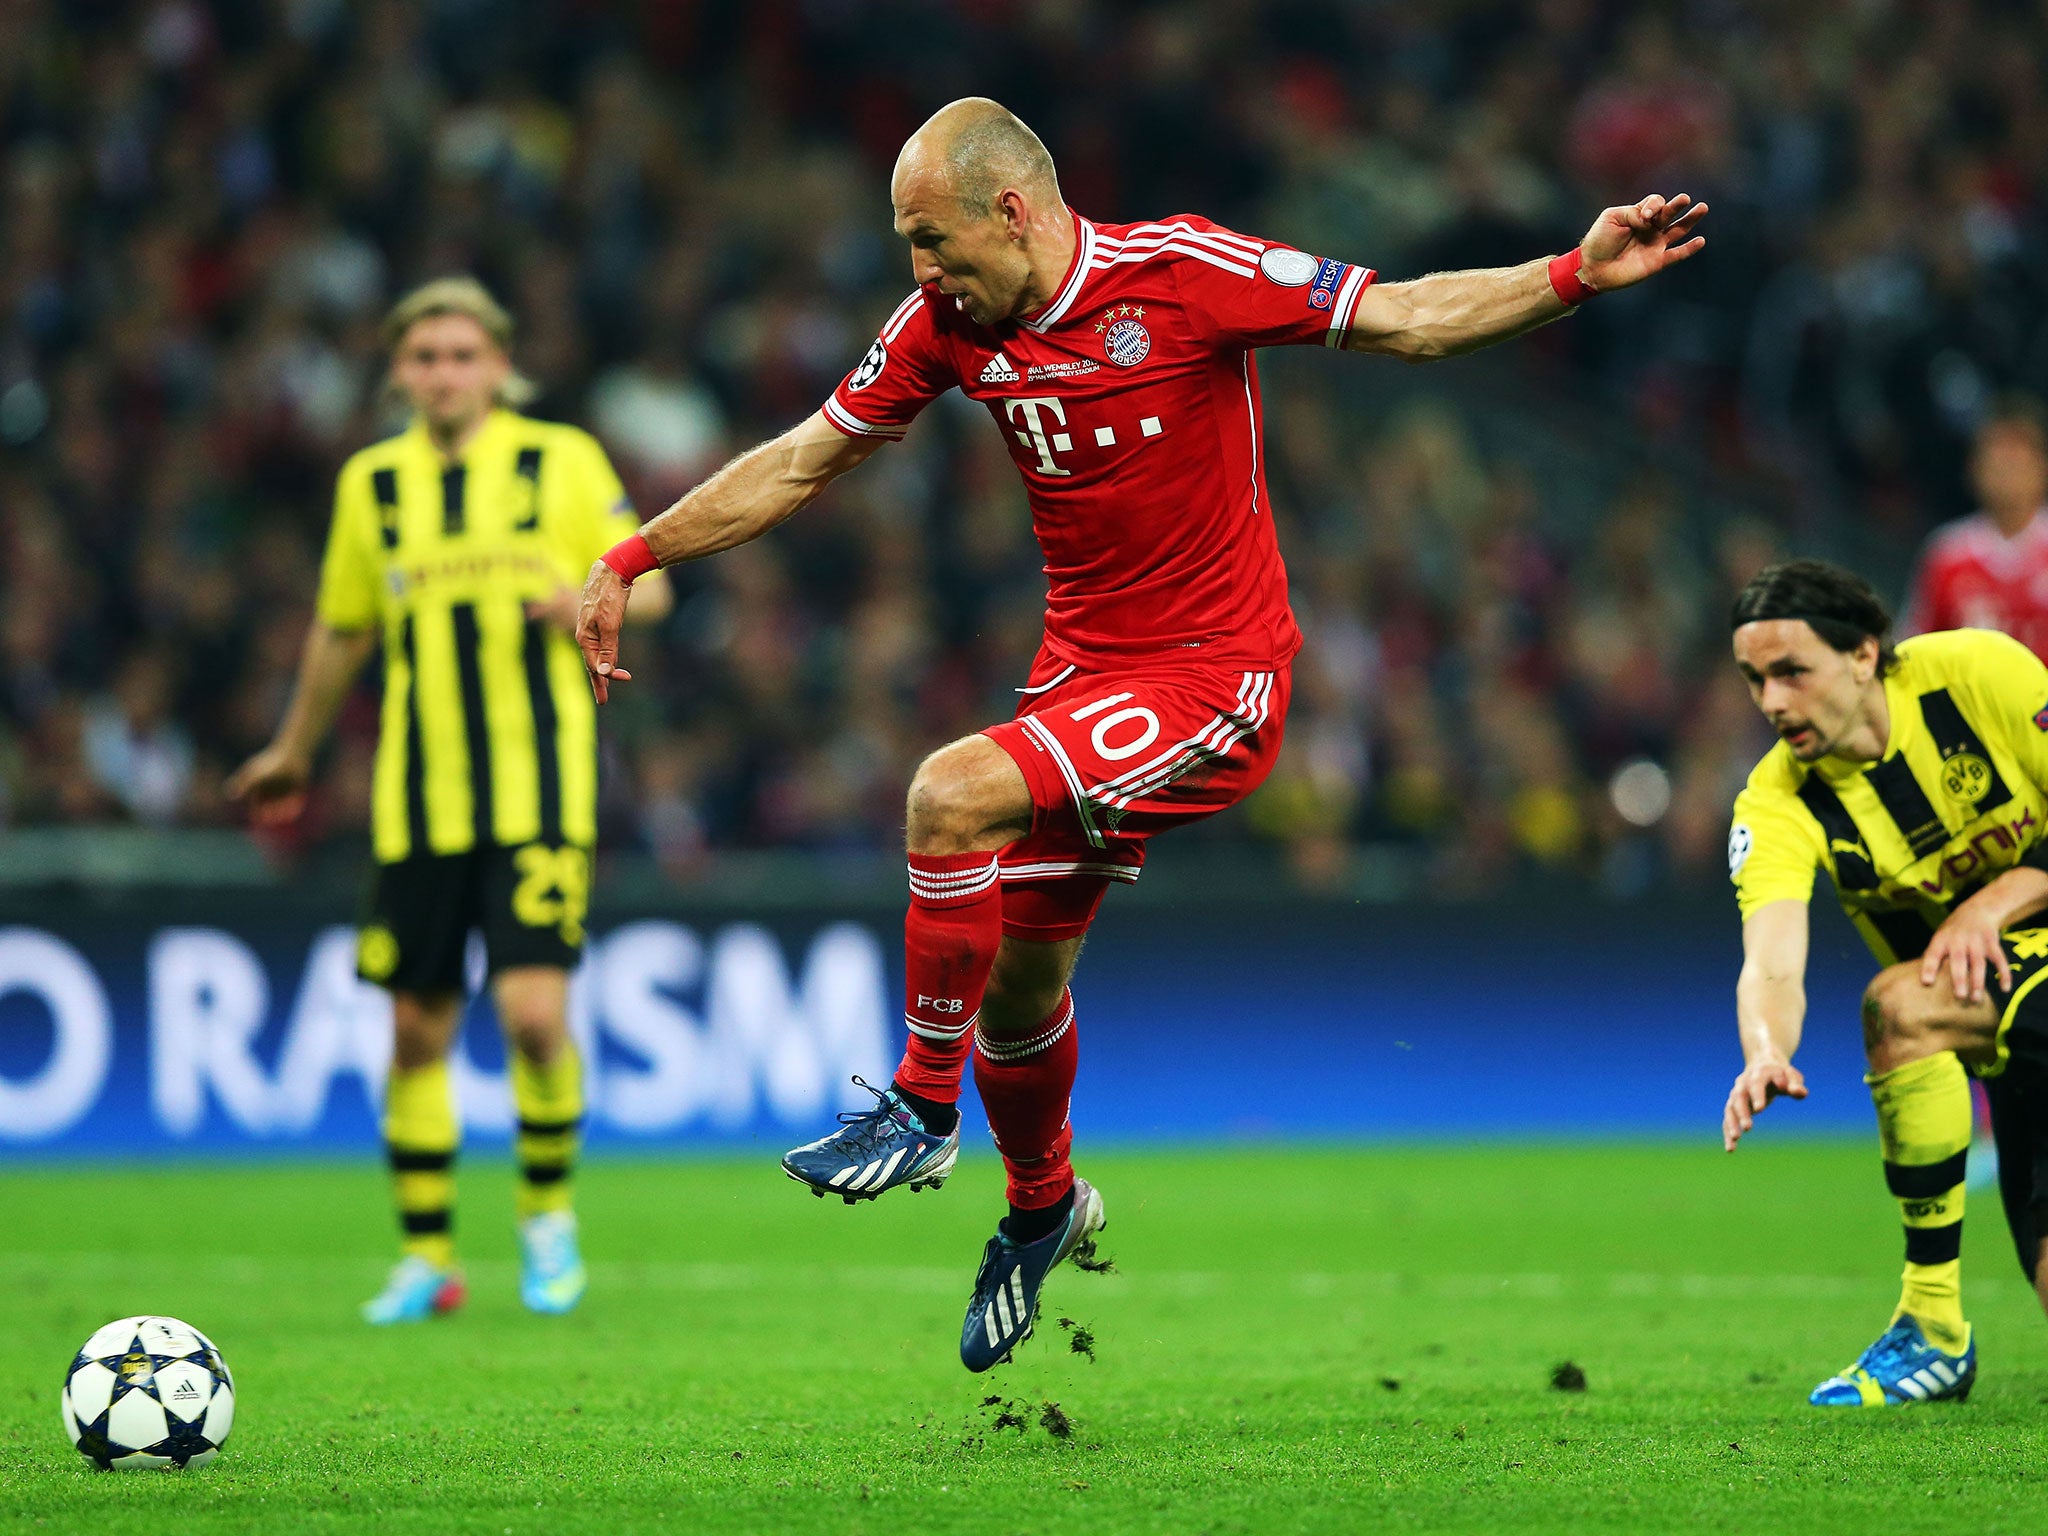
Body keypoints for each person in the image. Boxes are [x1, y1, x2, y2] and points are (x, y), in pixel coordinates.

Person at [575, 96, 1707, 1372]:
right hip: (1083, 686)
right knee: (1015, 989)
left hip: (1213, 680)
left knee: (947, 799)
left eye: (930, 237)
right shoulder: (948, 325)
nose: (918, 268)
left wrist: (1569, 273)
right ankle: (1040, 1210)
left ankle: (918, 1104)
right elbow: (796, 460)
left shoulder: (1180, 275)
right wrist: (632, 553)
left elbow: (1401, 317)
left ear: (1012, 210)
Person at [229, 277, 670, 1323]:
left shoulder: (558, 461)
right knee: (417, 1033)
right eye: (423, 356)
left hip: (539, 793)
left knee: (529, 1015)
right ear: (397, 372)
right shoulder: (370, 485)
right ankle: (428, 1257)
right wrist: (293, 749)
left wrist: (581, 598)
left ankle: (546, 1223)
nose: (442, 372)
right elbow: (341, 629)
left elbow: (655, 586)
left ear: (499, 365)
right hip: (414, 805)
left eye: (462, 354)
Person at [1723, 559, 2048, 1407]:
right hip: (2013, 1034)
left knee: (1900, 1005)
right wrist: (1765, 1050)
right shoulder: (1778, 804)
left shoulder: (1978, 673)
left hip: (2006, 972)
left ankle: (1931, 1324)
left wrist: (1995, 901)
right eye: (1755, 679)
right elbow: (1772, 961)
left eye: (1792, 671)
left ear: (1864, 655)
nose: (1773, 701)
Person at [1903, 397, 2048, 1187]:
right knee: (1980, 935)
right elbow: (1914, 658)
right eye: (1993, 458)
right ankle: (1992, 1112)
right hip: (1978, 779)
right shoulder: (1948, 555)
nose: (2005, 472)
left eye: (2018, 457)